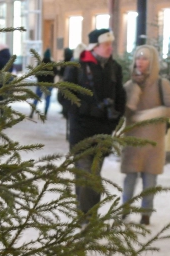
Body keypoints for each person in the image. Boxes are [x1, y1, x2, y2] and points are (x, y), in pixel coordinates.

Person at [63, 29, 126, 216]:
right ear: (95, 47)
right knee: (86, 174)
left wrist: (115, 119)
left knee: (93, 174)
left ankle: (87, 215)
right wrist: (83, 111)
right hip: (80, 130)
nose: (110, 48)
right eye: (106, 45)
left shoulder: (115, 68)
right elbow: (64, 95)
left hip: (103, 130)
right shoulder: (77, 66)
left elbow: (121, 96)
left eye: (111, 44)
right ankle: (87, 218)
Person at [120, 45, 170, 225]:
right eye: (138, 58)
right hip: (132, 142)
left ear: (152, 61)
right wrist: (135, 93)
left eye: (145, 58)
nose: (140, 62)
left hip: (153, 143)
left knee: (149, 182)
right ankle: (124, 212)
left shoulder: (162, 84)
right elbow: (124, 112)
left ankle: (146, 215)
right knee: (129, 180)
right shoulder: (129, 85)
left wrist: (154, 113)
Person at [30, 48, 55, 118]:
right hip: (49, 84)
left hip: (40, 84)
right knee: (48, 99)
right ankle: (45, 113)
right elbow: (55, 73)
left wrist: (39, 79)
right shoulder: (52, 64)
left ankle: (31, 112)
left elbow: (36, 73)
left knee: (36, 98)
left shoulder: (40, 64)